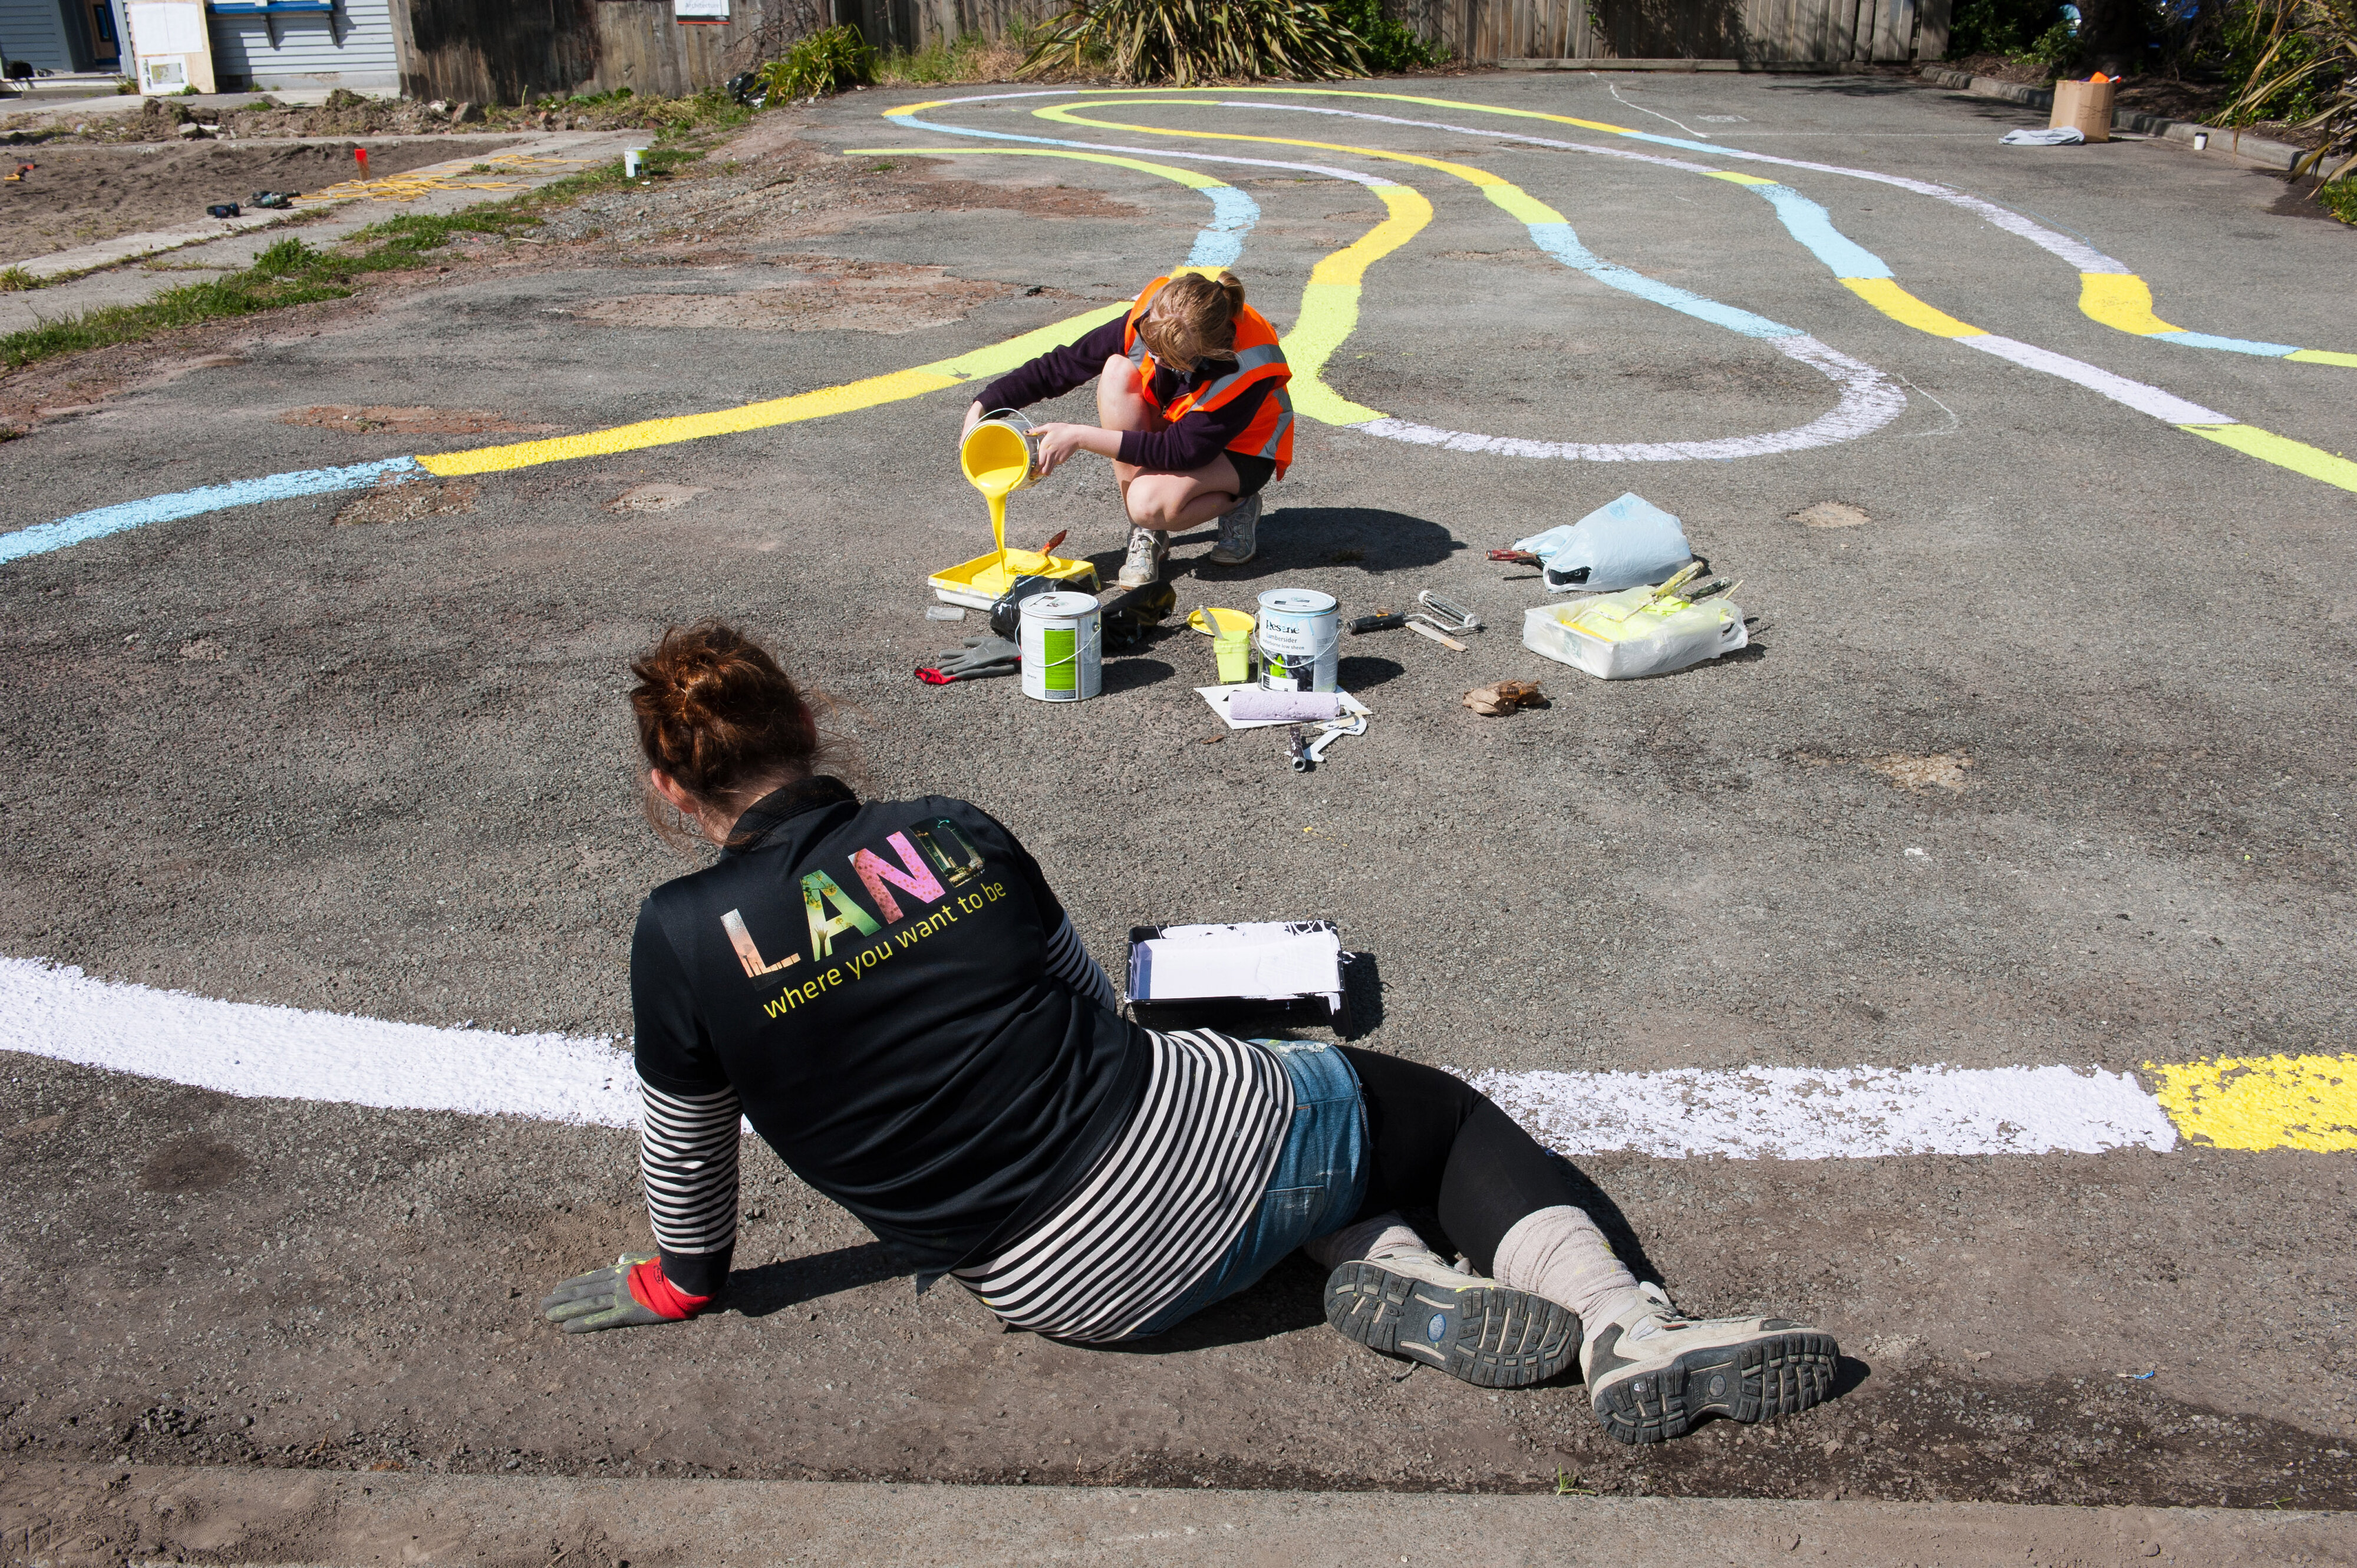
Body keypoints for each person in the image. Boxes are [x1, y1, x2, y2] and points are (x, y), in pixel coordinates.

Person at [541, 623, 1842, 1445]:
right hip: (1183, 1142)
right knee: (1429, 1118)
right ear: (810, 724)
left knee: (1305, 1153)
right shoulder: (946, 828)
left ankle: (1406, 1276)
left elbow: (688, 1149)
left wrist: (682, 1282)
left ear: (669, 786)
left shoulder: (678, 935)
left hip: (1062, 1291)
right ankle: (1622, 1326)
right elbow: (1085, 1001)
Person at [960, 269, 1291, 589]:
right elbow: (1062, 366)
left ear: (1208, 351)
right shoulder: (1156, 316)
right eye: (1153, 349)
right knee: (1117, 370)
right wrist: (984, 406)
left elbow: (1182, 451)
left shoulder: (1245, 365)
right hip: (1181, 428)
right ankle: (1145, 532)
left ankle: (1238, 502)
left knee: (1148, 503)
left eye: (1172, 359)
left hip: (1242, 451)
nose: (1157, 363)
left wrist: (1080, 437)